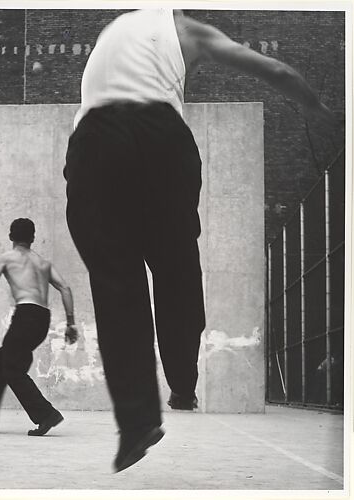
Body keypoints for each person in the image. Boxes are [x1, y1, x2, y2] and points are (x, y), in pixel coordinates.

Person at [63, 9, 334, 472]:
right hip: (161, 137)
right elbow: (278, 69)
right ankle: (183, 381)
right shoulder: (190, 31)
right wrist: (315, 107)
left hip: (92, 147)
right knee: (176, 269)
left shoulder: (113, 31)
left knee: (116, 286)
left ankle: (136, 422)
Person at [0, 218, 78, 436]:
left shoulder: (7, 258)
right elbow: (65, 288)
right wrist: (70, 323)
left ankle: (46, 414)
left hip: (25, 315)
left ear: (11, 237)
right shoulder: (43, 263)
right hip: (42, 319)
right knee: (0, 360)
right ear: (32, 238)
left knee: (12, 369)